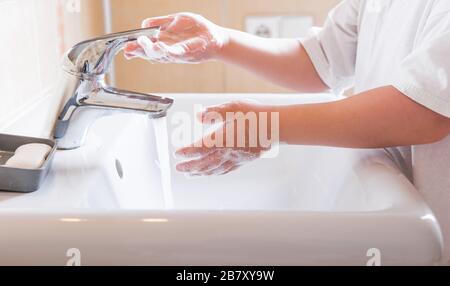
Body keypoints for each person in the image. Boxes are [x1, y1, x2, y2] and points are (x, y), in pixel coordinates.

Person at [124, 0, 450, 263]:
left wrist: (267, 126)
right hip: (407, 213)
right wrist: (220, 41)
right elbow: (320, 59)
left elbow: (422, 111)